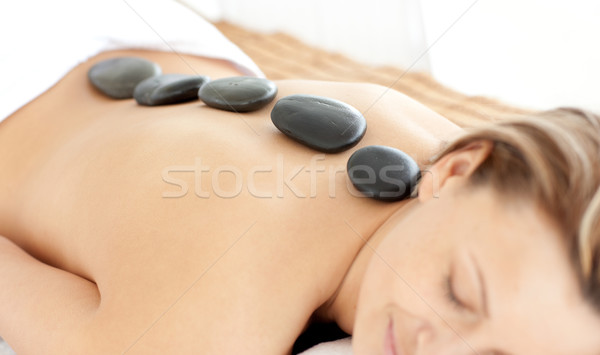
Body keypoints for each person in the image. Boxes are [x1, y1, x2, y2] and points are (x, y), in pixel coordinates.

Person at [2, 3, 600, 355]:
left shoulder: (457, 161)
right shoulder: (215, 327)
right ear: (457, 170)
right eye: (457, 292)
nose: (438, 349)